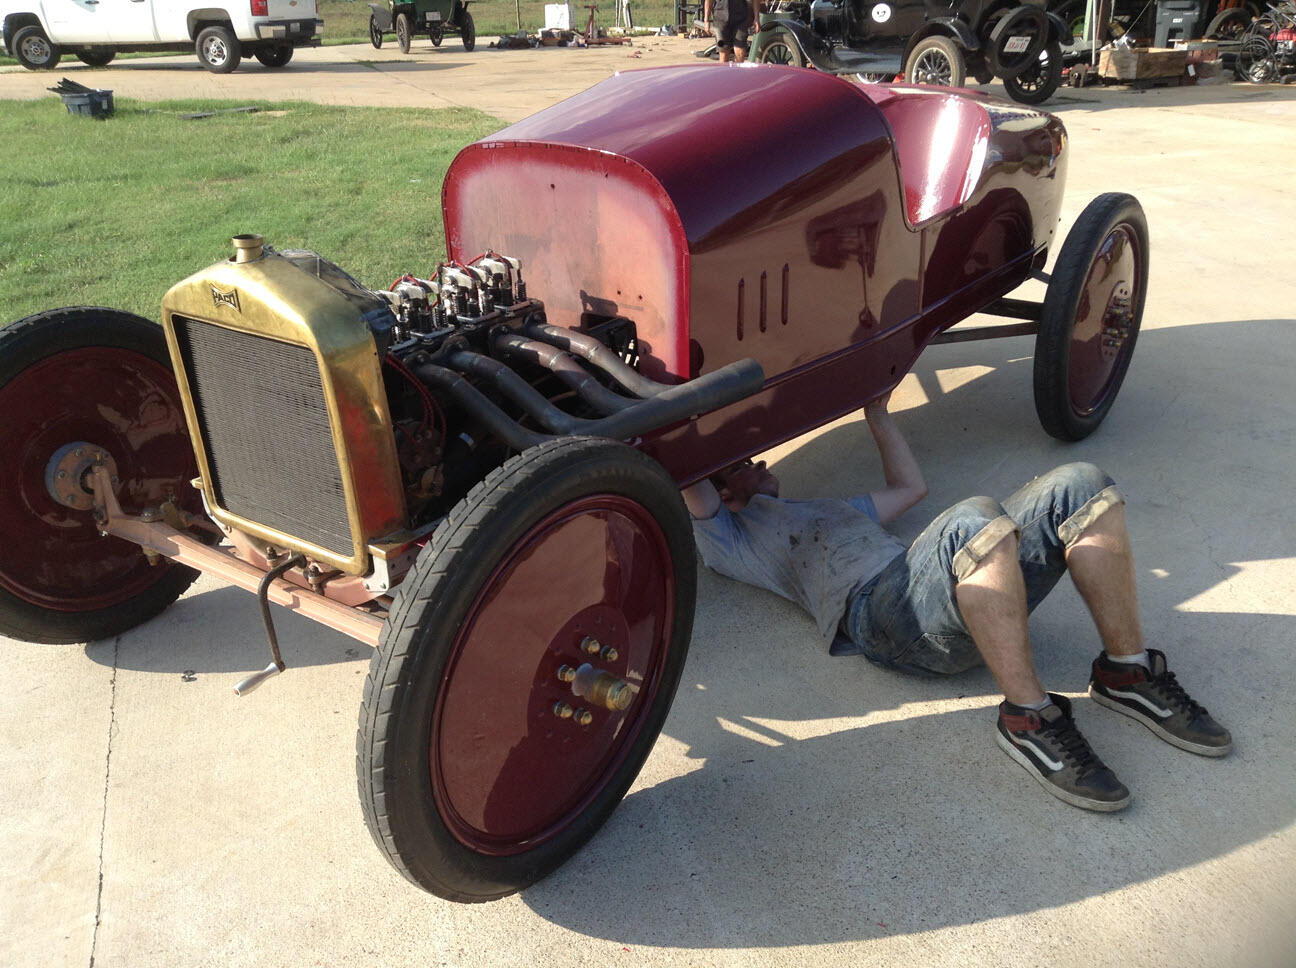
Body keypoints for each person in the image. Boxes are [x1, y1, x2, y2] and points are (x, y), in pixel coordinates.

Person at [682, 393, 1232, 812]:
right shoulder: (732, 541)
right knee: (972, 517)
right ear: (725, 491)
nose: (758, 463)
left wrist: (874, 407)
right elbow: (689, 472)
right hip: (880, 618)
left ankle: (1127, 674)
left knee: (1082, 485)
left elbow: (909, 488)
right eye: (743, 465)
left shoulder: (829, 508)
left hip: (929, 584)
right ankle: (1029, 720)